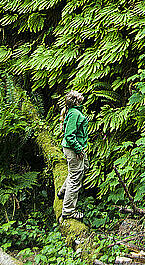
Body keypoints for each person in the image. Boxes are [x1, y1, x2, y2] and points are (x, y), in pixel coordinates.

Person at [57, 90, 89, 221]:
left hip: (75, 148)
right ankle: (68, 212)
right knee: (75, 179)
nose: (81, 94)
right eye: (78, 94)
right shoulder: (75, 113)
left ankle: (63, 191)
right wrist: (78, 149)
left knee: (84, 167)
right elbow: (69, 135)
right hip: (73, 149)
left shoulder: (73, 111)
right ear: (76, 100)